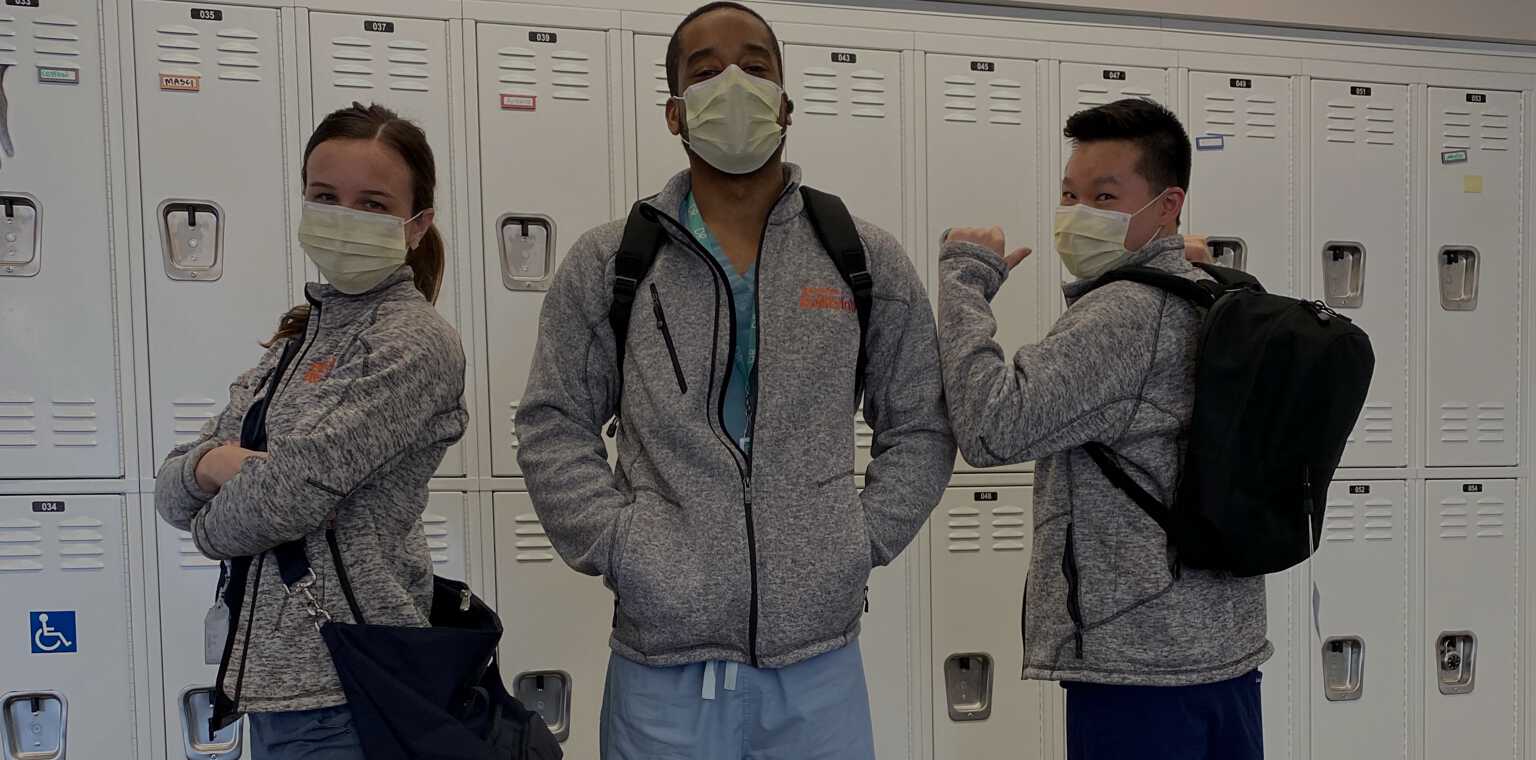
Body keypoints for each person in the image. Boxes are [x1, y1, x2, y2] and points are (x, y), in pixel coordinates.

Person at [515, 2, 956, 757]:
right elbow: (553, 424)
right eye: (706, 70)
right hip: (660, 671)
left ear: (785, 103)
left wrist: (856, 540)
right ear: (674, 114)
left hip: (820, 667)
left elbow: (919, 421)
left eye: (755, 66)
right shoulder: (610, 261)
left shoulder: (860, 255)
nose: (733, 83)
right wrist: (623, 546)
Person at [938, 98, 1270, 759]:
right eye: (1071, 193)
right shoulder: (1214, 293)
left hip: (1139, 666)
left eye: (1105, 195)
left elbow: (992, 429)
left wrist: (963, 284)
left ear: (1168, 206)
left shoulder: (1125, 313)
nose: (1078, 213)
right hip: (1224, 652)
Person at [154, 102, 469, 760]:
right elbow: (172, 489)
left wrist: (221, 500)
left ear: (418, 225)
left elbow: (284, 499)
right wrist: (213, 466)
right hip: (278, 683)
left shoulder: (411, 341)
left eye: (373, 204)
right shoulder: (302, 335)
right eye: (326, 197)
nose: (344, 219)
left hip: (347, 687)